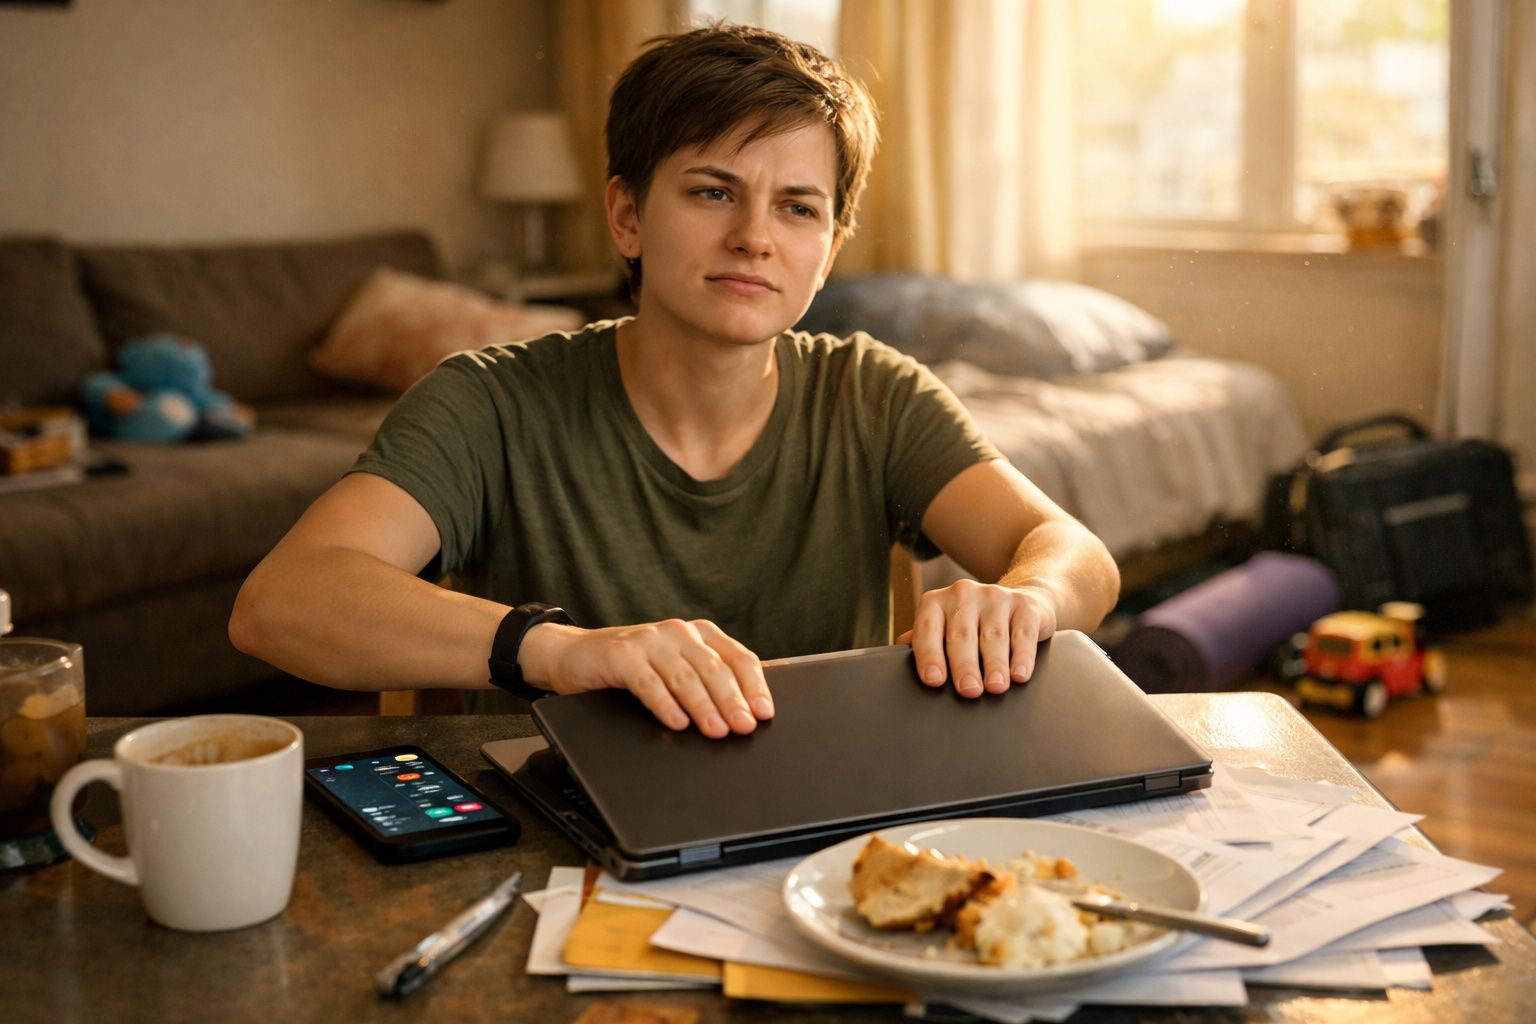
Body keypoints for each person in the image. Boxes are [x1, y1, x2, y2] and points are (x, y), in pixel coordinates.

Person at [229, 23, 1119, 739]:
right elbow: (279, 603)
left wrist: (1023, 601)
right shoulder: (488, 403)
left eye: (798, 207)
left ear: (827, 253)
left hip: (817, 836)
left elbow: (1074, 553)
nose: (755, 238)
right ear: (627, 216)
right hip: (557, 841)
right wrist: (559, 650)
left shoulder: (873, 394)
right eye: (712, 191)